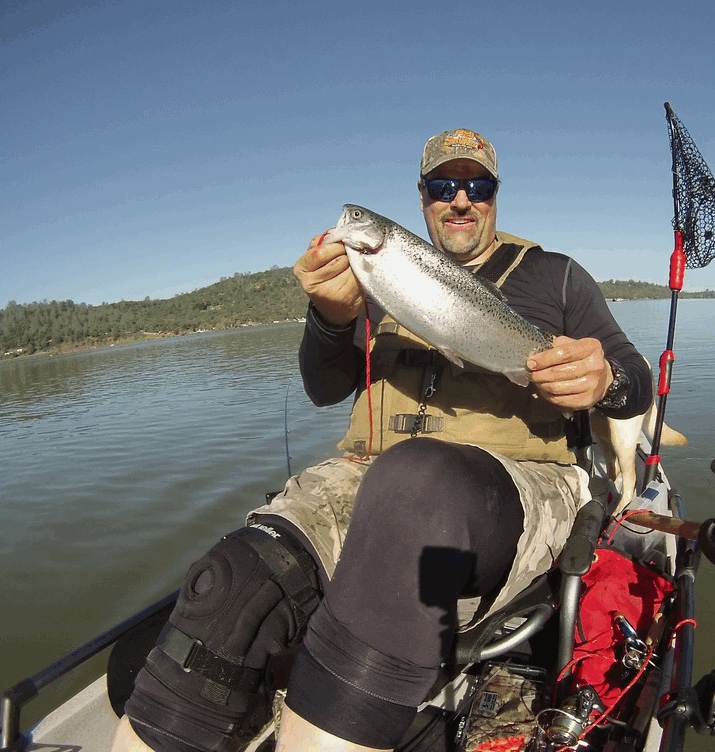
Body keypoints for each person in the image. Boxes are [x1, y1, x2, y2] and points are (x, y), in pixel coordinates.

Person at [112, 128, 654, 752]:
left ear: (495, 196)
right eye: (443, 186)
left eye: (477, 187)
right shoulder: (373, 279)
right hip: (372, 476)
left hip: (515, 487)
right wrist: (330, 318)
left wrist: (605, 378)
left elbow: (633, 381)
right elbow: (324, 387)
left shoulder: (557, 278)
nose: (460, 200)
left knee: (418, 485)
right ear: (422, 199)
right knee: (229, 585)